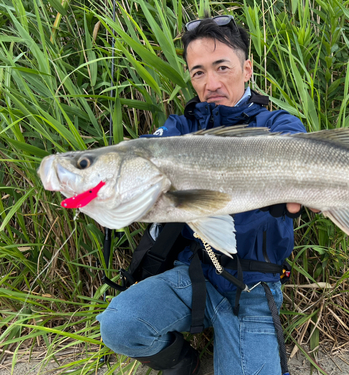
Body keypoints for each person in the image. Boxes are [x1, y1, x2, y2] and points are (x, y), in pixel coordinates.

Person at [97, 15, 306, 375]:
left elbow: (307, 168)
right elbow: (147, 150)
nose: (210, 83)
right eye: (198, 72)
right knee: (119, 324)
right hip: (193, 274)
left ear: (247, 68)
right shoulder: (182, 128)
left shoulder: (278, 126)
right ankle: (183, 363)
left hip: (254, 286)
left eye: (221, 67)